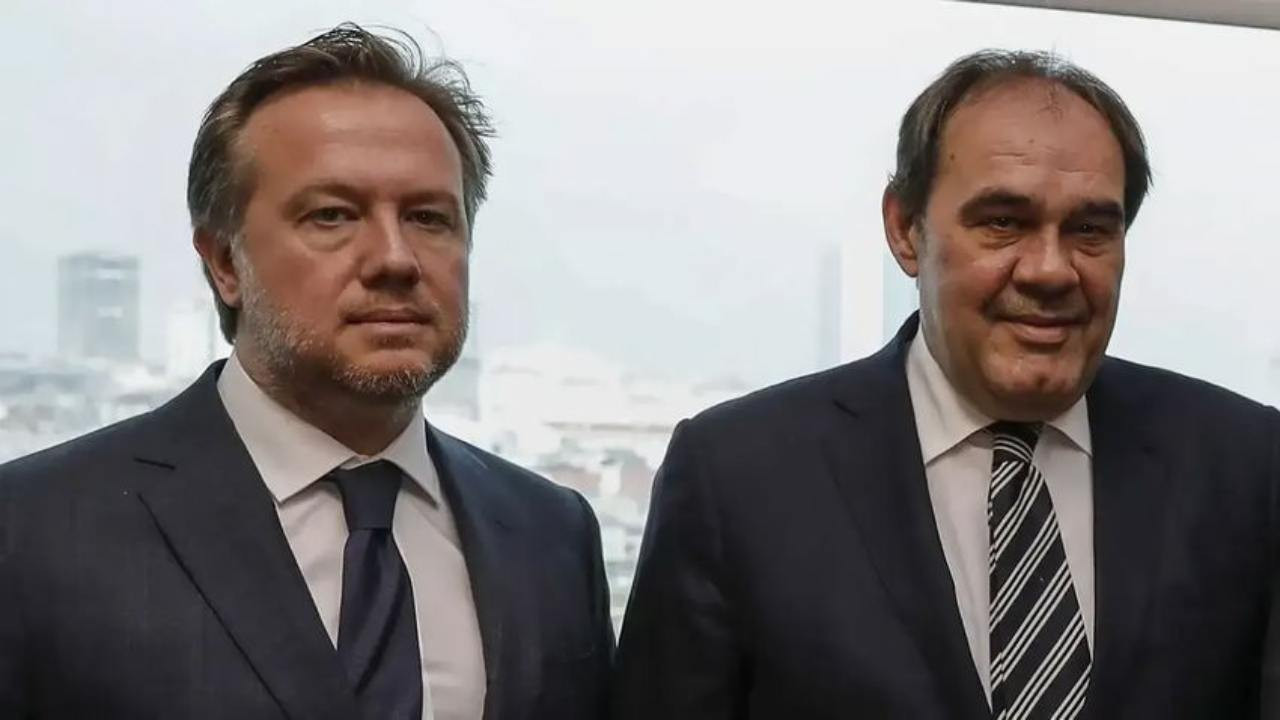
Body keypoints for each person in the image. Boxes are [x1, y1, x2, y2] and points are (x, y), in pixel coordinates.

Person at [613, 49, 1280, 718]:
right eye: (1003, 223)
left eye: (1089, 230)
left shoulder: (1248, 468)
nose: (1050, 270)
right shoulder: (738, 479)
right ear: (905, 229)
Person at [0, 24, 611, 720]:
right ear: (224, 263)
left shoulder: (550, 534)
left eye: (428, 217)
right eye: (333, 216)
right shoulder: (34, 530)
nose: (395, 258)